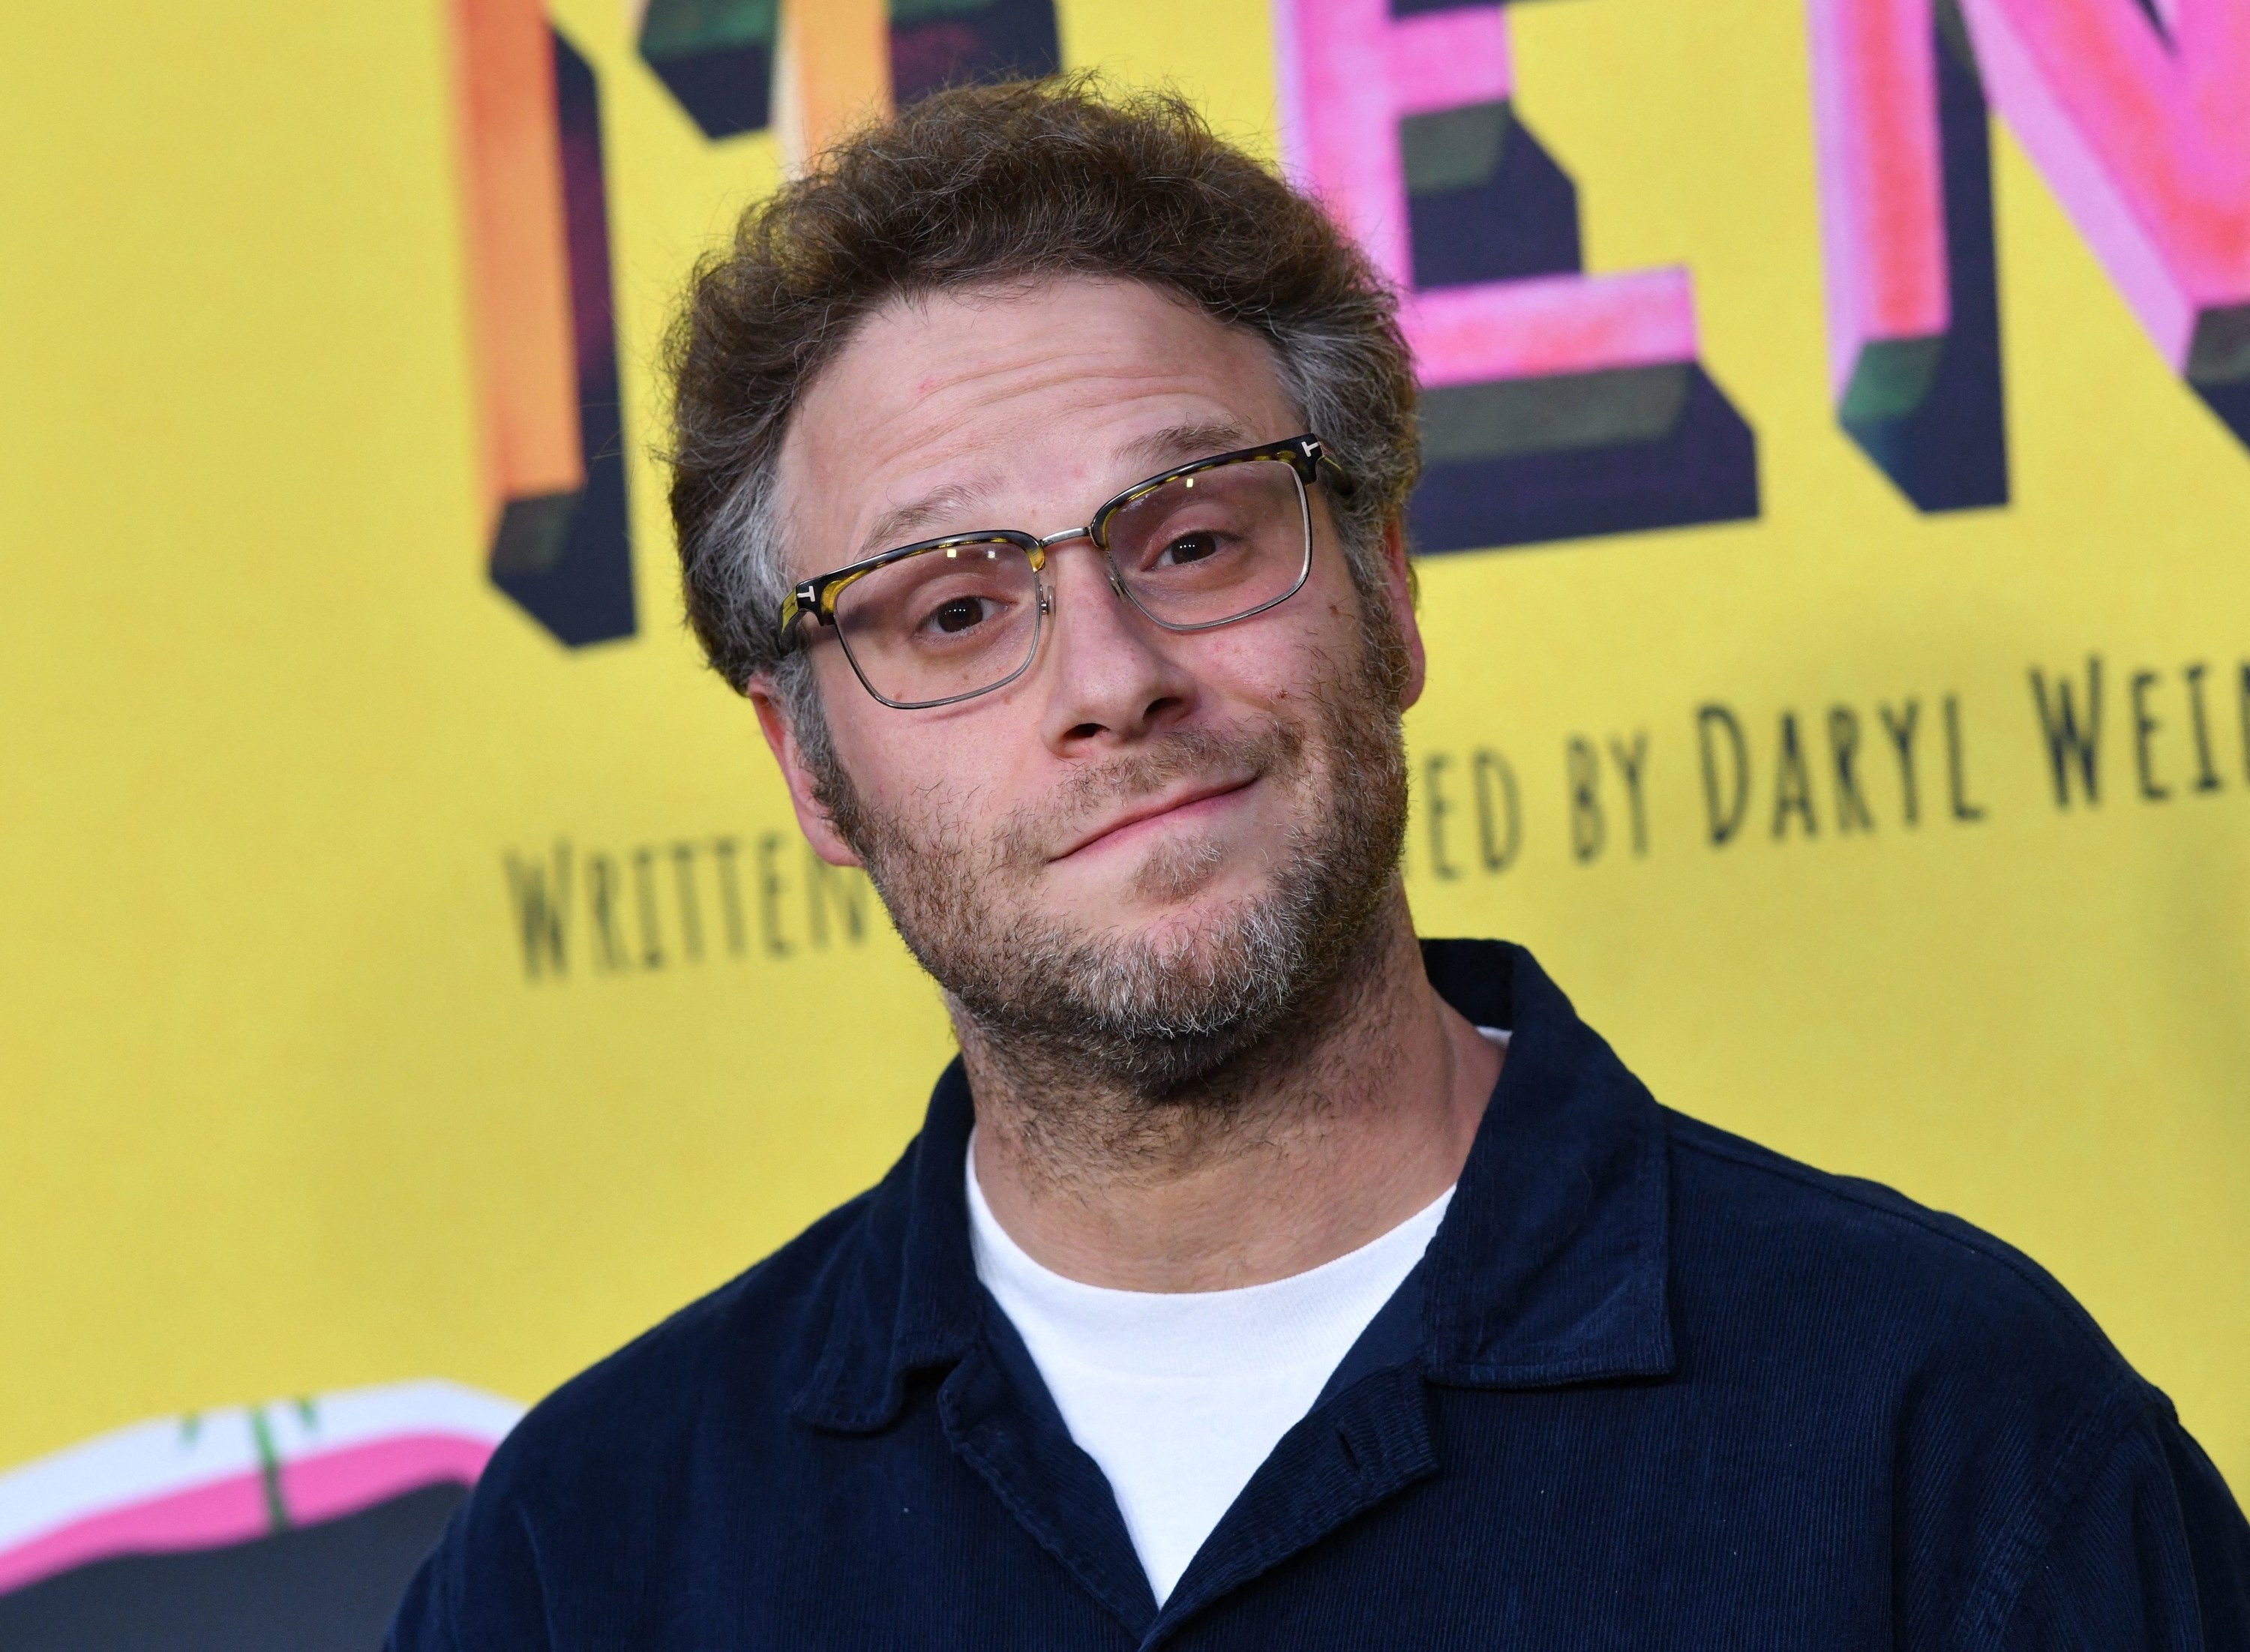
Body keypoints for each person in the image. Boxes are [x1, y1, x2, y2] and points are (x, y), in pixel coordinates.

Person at [388, 79, 2249, 1649]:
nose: (1109, 680)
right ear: (809, 766)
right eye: (955, 609)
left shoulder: (1955, 1440)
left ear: (1389, 589)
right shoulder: (593, 1557)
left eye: (1192, 542)